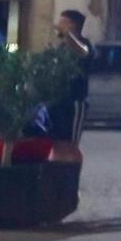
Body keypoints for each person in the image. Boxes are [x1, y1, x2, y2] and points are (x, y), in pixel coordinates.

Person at [48, 9, 93, 165]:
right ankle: (58, 178)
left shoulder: (84, 44)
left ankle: (72, 180)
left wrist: (69, 35)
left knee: (71, 145)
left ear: (72, 25)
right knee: (57, 144)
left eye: (62, 22)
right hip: (57, 101)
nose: (57, 25)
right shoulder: (61, 48)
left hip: (74, 102)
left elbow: (83, 52)